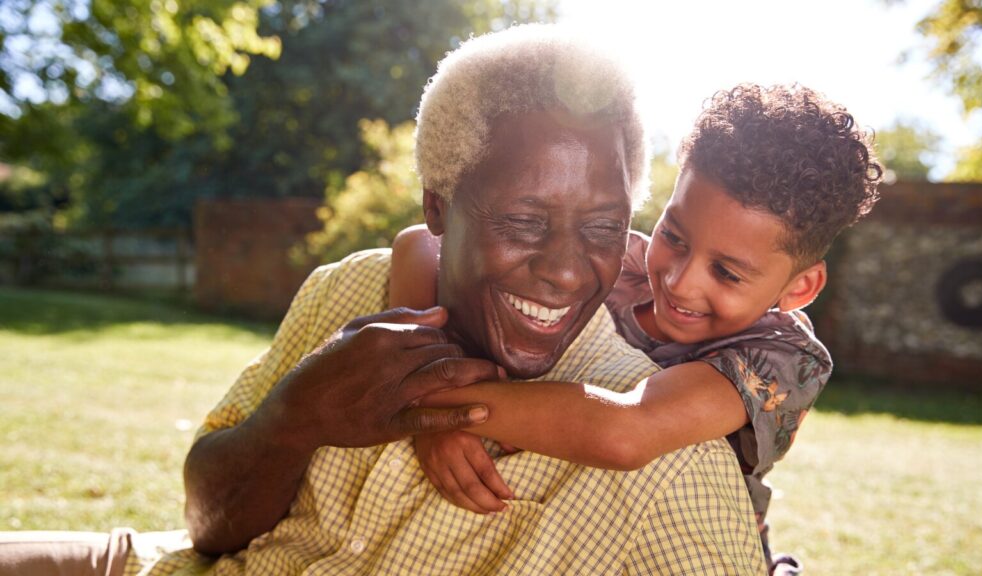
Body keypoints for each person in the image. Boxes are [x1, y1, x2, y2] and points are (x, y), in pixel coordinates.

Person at [0, 24, 767, 575]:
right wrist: (294, 417)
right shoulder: (350, 290)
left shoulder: (668, 474)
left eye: (602, 227)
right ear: (438, 208)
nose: (567, 271)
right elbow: (205, 528)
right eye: (524, 223)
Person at [388, 83, 883, 575]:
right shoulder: (619, 263)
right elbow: (419, 244)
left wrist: (435, 406)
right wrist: (427, 372)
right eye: (674, 236)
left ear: (800, 288)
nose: (680, 280)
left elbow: (626, 432)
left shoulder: (782, 358)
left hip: (690, 548)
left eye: (727, 273)